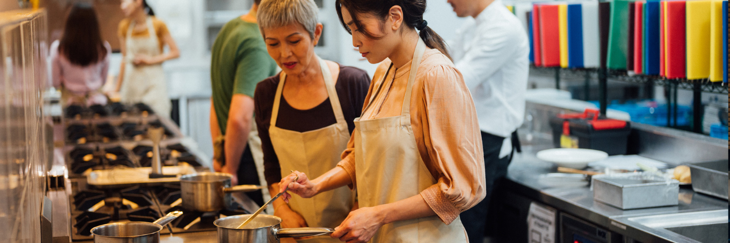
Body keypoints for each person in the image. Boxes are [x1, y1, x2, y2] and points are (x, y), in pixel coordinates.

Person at [279, 0, 486, 242]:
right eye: (350, 29)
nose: (355, 42)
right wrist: (315, 186)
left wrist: (378, 215)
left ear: (395, 17)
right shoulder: (383, 73)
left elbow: (461, 189)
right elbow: (360, 155)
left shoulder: (436, 76)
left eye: (359, 27)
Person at [254, 0, 371, 241]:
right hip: (293, 230)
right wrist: (281, 209)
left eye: (294, 41)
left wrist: (360, 211)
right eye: (272, 43)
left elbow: (369, 161)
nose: (284, 53)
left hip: (350, 229)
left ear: (316, 33)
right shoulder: (266, 93)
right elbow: (271, 166)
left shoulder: (352, 83)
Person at [446, 0, 530, 241]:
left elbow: (458, 78)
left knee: (470, 225)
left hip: (487, 141)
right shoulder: (473, 26)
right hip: (470, 136)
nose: (446, 1)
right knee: (461, 222)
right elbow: (444, 57)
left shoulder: (504, 27)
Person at [209, 0, 278, 206]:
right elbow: (240, 117)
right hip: (245, 158)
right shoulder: (258, 42)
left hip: (229, 150)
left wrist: (219, 153)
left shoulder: (231, 28)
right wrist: (231, 168)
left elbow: (216, 100)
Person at [115, 0, 179, 117]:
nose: (121, 6)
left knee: (157, 122)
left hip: (154, 86)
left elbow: (175, 52)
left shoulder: (158, 24)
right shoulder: (124, 26)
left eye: (125, 1)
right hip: (132, 86)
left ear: (138, 2)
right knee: (133, 126)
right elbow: (124, 59)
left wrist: (150, 60)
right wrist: (117, 89)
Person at [50, 3, 111, 107]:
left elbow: (55, 83)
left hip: (70, 104)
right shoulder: (104, 48)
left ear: (69, 23)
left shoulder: (58, 49)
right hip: (97, 104)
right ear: (94, 25)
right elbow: (104, 80)